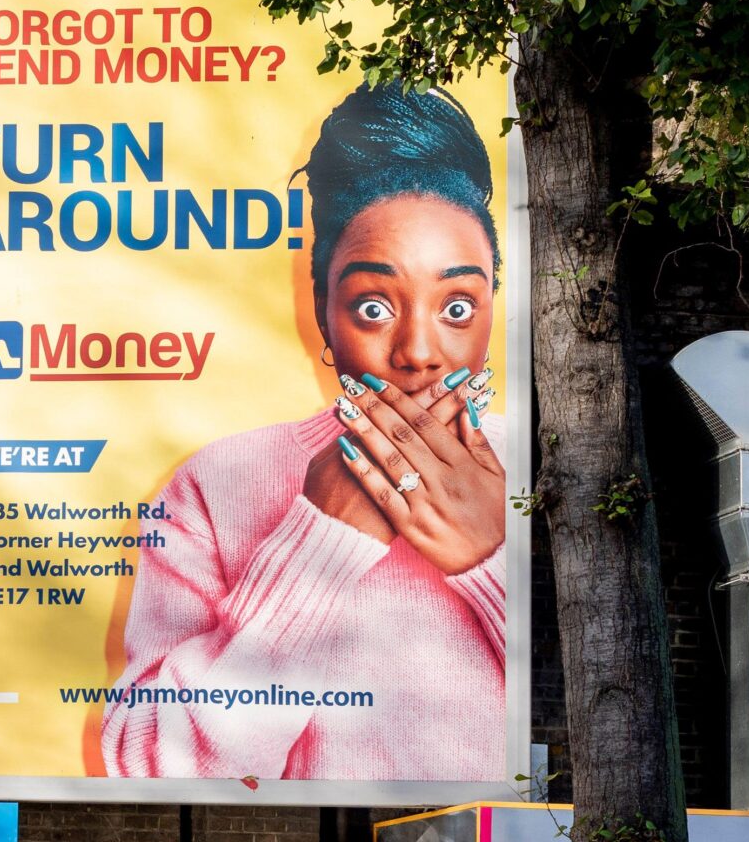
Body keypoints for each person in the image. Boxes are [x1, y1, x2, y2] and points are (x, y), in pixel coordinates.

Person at [102, 82, 509, 783]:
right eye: (374, 305)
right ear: (324, 312)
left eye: (458, 305)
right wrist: (317, 545)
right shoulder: (220, 483)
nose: (417, 351)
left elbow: (619, 734)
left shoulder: (548, 474)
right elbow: (146, 761)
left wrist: (494, 557)